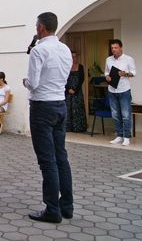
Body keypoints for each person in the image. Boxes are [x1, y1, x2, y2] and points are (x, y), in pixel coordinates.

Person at [23, 12, 73, 224]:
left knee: (47, 160)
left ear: (41, 27)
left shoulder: (38, 50)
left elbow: (33, 82)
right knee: (61, 156)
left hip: (42, 107)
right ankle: (67, 205)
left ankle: (52, 209)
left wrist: (25, 81)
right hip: (60, 104)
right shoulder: (65, 49)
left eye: (37, 26)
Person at [105, 39, 136, 146]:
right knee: (115, 115)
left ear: (121, 47)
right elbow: (106, 72)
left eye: (116, 48)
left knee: (126, 115)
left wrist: (125, 74)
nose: (113, 50)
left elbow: (133, 73)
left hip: (124, 90)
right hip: (112, 90)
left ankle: (126, 137)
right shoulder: (108, 59)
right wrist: (107, 77)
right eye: (112, 48)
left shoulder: (128, 59)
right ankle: (119, 135)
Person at [65, 50, 86, 132]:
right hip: (67, 92)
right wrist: (68, 89)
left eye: (75, 56)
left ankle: (78, 128)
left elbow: (82, 79)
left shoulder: (80, 66)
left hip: (77, 92)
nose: (74, 58)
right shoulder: (66, 67)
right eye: (72, 57)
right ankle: (68, 127)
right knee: (68, 109)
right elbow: (63, 79)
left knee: (78, 109)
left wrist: (75, 90)